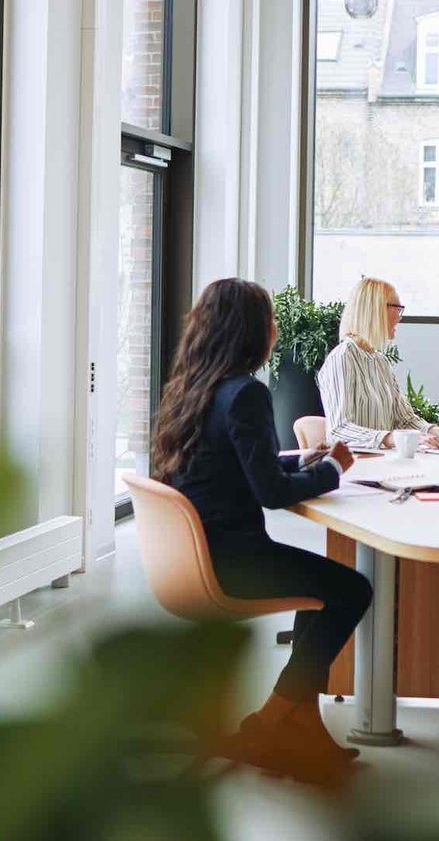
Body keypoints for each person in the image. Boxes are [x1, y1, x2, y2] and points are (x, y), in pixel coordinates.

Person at [154, 277, 372, 786]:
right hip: (232, 560)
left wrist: (302, 460)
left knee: (314, 591)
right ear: (252, 331)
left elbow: (238, 465)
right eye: (270, 320)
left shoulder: (192, 387)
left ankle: (301, 727)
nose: (276, 329)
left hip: (197, 553)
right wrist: (334, 467)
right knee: (352, 588)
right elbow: (270, 493)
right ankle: (269, 722)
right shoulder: (247, 393)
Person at [316, 276, 439, 450]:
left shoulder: (380, 362)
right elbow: (339, 430)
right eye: (397, 308)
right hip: (359, 466)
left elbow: (403, 419)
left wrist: (437, 431)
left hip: (385, 462)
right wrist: (388, 438)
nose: (400, 317)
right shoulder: (342, 358)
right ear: (375, 310)